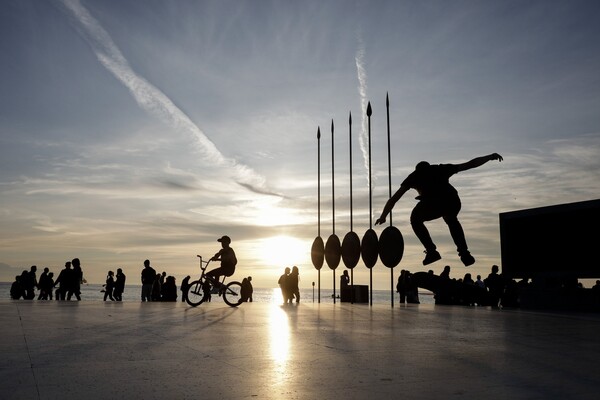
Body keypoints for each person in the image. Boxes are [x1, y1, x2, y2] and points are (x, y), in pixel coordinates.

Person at [375, 153, 503, 266]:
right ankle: (464, 253)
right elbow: (470, 164)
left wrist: (383, 216)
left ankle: (431, 251)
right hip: (452, 201)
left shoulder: (414, 176)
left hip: (433, 203)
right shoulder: (440, 168)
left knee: (415, 219)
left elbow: (394, 198)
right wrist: (490, 157)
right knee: (451, 220)